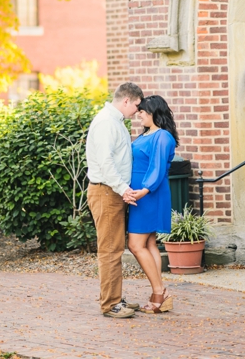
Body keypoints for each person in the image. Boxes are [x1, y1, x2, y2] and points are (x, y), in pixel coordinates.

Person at [85, 82, 144, 318]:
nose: (138, 111)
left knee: (115, 248)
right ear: (126, 100)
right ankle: (110, 305)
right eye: (137, 106)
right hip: (106, 191)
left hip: (112, 192)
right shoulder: (106, 123)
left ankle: (115, 298)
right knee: (110, 250)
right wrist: (123, 189)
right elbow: (105, 162)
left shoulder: (115, 122)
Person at [126, 95, 178, 313]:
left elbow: (157, 169)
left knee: (135, 245)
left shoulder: (163, 137)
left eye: (143, 111)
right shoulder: (146, 134)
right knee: (148, 244)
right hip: (140, 194)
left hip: (149, 195)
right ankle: (160, 292)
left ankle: (159, 292)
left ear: (154, 112)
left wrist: (142, 192)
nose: (140, 114)